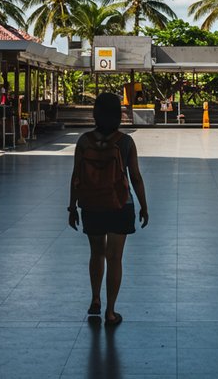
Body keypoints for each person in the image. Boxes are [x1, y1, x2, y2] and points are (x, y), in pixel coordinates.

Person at [68, 93, 149, 326]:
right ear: (117, 115)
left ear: (95, 113)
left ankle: (95, 299)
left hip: (91, 205)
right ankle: (111, 312)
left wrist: (72, 207)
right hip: (120, 205)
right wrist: (144, 206)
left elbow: (76, 176)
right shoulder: (125, 142)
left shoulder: (84, 141)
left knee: (96, 253)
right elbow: (135, 177)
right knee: (115, 258)